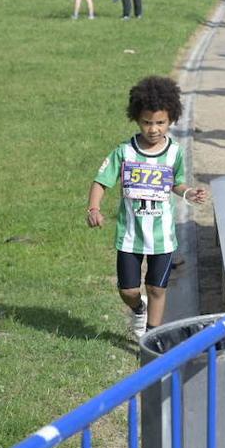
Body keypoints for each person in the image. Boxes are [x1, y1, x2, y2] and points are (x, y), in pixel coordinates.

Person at [86, 76, 208, 339]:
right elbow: (100, 181)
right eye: (147, 122)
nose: (153, 129)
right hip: (130, 236)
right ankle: (138, 309)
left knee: (157, 289)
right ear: (136, 119)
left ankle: (151, 338)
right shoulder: (124, 152)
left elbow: (176, 183)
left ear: (171, 119)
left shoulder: (174, 153)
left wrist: (188, 192)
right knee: (128, 290)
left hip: (162, 238)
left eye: (160, 123)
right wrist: (94, 209)